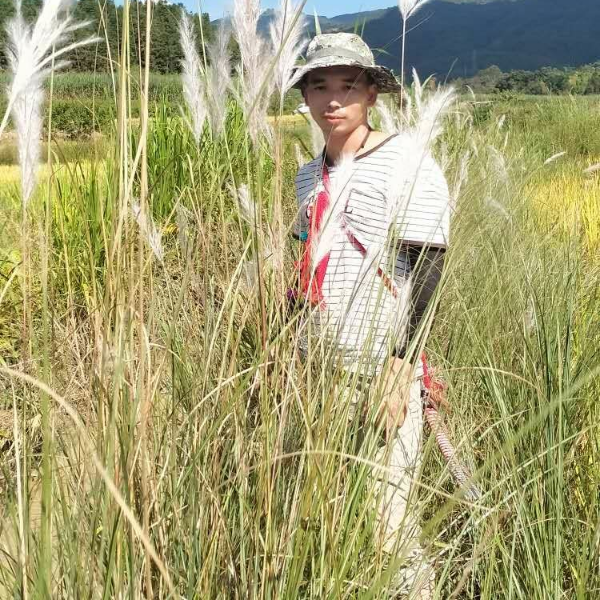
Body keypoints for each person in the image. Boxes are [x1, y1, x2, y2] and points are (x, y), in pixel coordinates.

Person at [287, 32, 451, 598]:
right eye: (319, 86)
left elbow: (427, 268)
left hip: (381, 370)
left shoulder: (407, 159)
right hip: (318, 369)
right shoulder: (309, 176)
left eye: (347, 85)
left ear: (371, 94)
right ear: (305, 97)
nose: (333, 99)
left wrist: (400, 368)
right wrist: (288, 349)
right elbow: (303, 266)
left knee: (389, 527)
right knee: (329, 509)